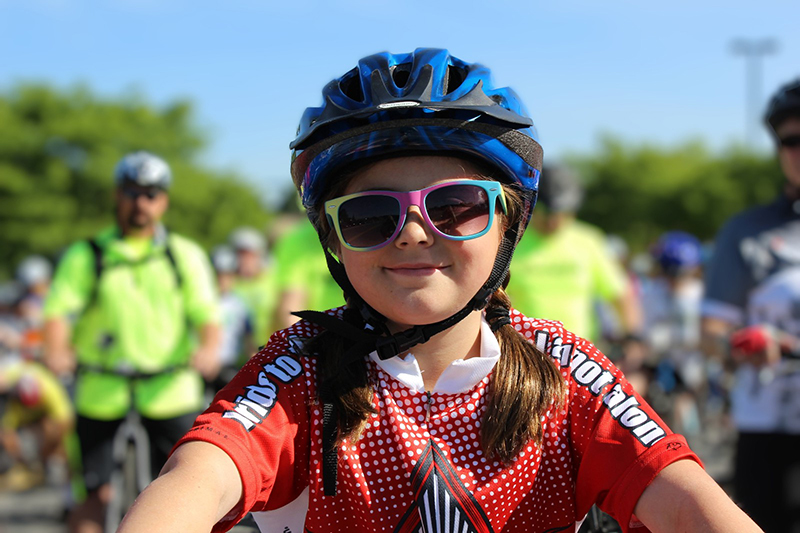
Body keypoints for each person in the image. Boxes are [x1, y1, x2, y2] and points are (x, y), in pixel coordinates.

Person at [119, 48, 760, 533]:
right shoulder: (299, 371)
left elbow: (686, 494)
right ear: (334, 242)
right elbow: (195, 479)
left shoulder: (565, 369)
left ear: (511, 226)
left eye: (455, 207)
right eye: (371, 215)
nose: (415, 234)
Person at [42, 151, 221, 533]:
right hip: (101, 388)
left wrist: (208, 349)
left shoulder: (183, 254)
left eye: (151, 194)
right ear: (117, 196)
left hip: (170, 388)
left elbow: (208, 314)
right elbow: (58, 311)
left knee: (185, 488)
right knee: (94, 494)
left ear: (164, 201)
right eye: (132, 192)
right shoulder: (87, 254)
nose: (141, 203)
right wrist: (56, 351)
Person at [701, 78, 800, 533]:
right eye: (791, 140)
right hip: (769, 428)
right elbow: (713, 336)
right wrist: (744, 348)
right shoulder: (746, 231)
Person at [506, 164, 646, 390]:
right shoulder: (513, 239)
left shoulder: (588, 241)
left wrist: (633, 338)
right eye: (547, 212)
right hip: (524, 357)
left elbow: (621, 294)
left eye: (562, 213)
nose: (554, 220)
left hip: (581, 360)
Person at [210, 245, 255, 391]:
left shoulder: (240, 304)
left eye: (227, 275)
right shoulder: (201, 301)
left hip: (229, 364)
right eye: (218, 275)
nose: (222, 280)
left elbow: (248, 336)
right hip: (203, 365)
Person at [228, 226, 278, 347]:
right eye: (240, 254)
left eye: (249, 254)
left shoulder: (274, 279)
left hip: (273, 350)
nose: (244, 260)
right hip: (239, 355)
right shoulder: (230, 284)